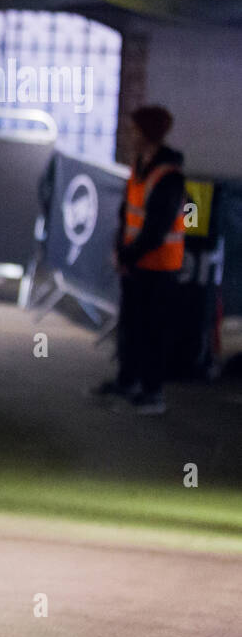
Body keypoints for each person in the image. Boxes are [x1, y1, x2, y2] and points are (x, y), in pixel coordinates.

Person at [91, 106, 186, 416]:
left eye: (134, 130)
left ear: (147, 133)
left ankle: (152, 393)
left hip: (159, 267)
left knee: (153, 331)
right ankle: (128, 382)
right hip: (136, 264)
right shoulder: (141, 167)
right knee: (132, 327)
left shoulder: (168, 176)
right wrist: (123, 252)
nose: (130, 135)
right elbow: (127, 214)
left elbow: (156, 230)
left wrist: (126, 255)